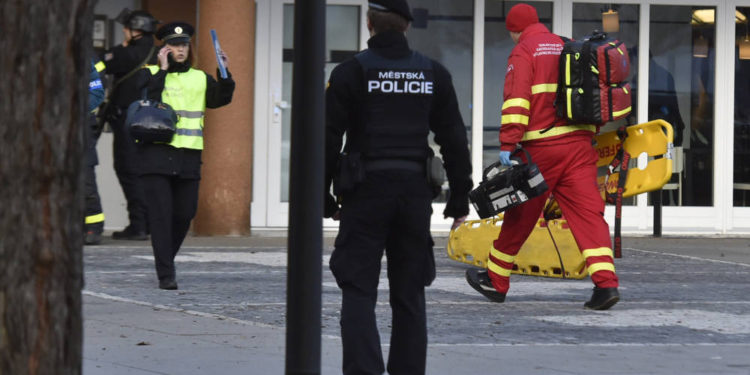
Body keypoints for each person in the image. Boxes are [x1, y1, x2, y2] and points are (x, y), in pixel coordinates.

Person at [324, 1, 473, 373]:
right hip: (412, 193)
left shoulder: (350, 72)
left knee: (358, 289)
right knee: (409, 293)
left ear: (369, 22)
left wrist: (323, 199)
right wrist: (458, 199)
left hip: (364, 191)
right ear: (407, 26)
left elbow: (326, 138)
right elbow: (454, 138)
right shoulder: (433, 73)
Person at [464, 3, 620, 310]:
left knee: (520, 212)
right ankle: (606, 284)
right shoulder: (567, 44)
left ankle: (495, 279)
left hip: (543, 149)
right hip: (579, 147)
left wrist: (508, 144)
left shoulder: (525, 50)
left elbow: (517, 101)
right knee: (588, 214)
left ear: (514, 29)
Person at [134, 22, 235, 290]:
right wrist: (163, 72)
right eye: (174, 45)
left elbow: (221, 99)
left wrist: (224, 73)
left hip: (188, 155)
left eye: (184, 45)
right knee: (161, 215)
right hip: (155, 155)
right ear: (164, 48)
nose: (180, 49)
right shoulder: (150, 73)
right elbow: (146, 99)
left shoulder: (200, 78)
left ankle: (166, 259)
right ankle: (166, 274)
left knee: (184, 213)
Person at [99, 9, 159, 240]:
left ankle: (138, 225)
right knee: (145, 172)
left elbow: (103, 64)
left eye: (126, 28)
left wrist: (120, 48)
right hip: (152, 122)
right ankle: (149, 222)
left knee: (128, 170)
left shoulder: (126, 54)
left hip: (127, 121)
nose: (124, 30)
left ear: (136, 31)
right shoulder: (156, 53)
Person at [84, 58, 106, 245]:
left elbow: (97, 93)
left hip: (80, 128)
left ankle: (94, 226)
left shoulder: (84, 59)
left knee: (85, 181)